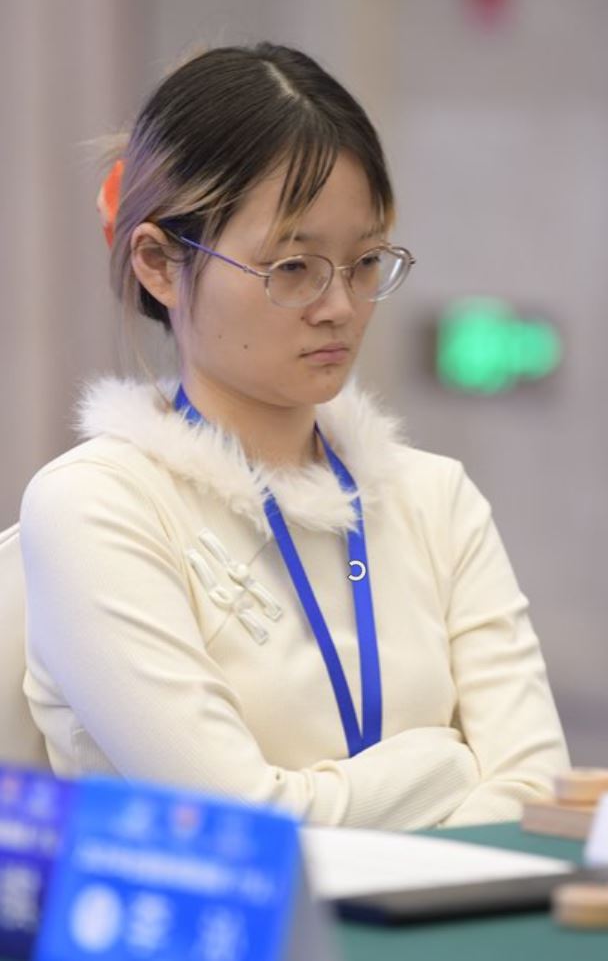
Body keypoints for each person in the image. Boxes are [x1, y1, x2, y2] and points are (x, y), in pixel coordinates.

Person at [20, 43, 569, 830]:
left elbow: (539, 799)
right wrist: (444, 764)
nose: (339, 307)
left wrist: (332, 809)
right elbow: (243, 825)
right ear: (159, 264)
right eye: (292, 267)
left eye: (365, 261)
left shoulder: (434, 498)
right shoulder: (97, 506)